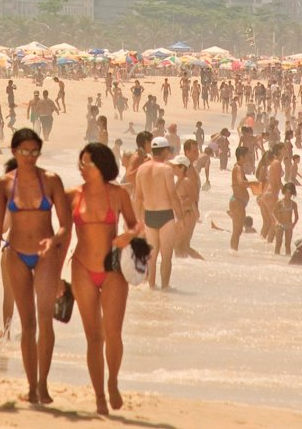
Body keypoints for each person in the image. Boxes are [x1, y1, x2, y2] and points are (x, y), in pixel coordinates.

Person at [0, 128, 71, 404]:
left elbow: (66, 225)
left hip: (45, 257)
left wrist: (53, 241)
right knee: (27, 322)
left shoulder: (51, 181)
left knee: (45, 322)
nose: (30, 157)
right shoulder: (4, 184)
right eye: (24, 152)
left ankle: (44, 385)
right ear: (14, 152)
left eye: (34, 152)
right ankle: (31, 386)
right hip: (15, 254)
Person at [66, 143, 141, 415]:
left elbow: (134, 223)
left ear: (102, 166)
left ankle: (112, 382)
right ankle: (99, 396)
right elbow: (62, 232)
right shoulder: (72, 195)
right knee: (93, 338)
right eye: (81, 163)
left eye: (87, 163)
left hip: (112, 269)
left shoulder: (118, 194)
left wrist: (128, 235)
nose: (82, 168)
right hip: (82, 268)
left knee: (113, 334)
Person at [134, 137, 183, 289]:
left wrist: (138, 219)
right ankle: (165, 289)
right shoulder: (166, 169)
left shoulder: (141, 169)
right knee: (166, 257)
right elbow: (173, 195)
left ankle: (151, 288)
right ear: (165, 151)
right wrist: (180, 218)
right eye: (169, 150)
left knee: (151, 258)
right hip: (165, 215)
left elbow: (138, 197)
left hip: (149, 215)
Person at [170, 154, 203, 260]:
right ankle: (192, 265)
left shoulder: (186, 181)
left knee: (180, 245)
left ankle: (202, 263)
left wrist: (182, 202)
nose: (173, 168)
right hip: (184, 214)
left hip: (188, 214)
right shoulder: (180, 180)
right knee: (182, 246)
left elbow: (194, 197)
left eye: (175, 166)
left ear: (182, 168)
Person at [230, 147, 257, 251]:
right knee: (237, 231)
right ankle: (233, 251)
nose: (249, 157)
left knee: (238, 230)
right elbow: (241, 183)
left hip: (238, 201)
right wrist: (253, 183)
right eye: (247, 155)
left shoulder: (238, 167)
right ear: (241, 156)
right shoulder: (238, 168)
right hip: (237, 201)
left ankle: (233, 252)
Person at [273, 183, 299, 255]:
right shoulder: (280, 202)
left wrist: (293, 224)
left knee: (287, 245)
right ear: (284, 192)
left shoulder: (293, 204)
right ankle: (276, 259)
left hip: (289, 225)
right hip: (280, 225)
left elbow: (297, 217)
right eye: (286, 193)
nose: (288, 195)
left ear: (292, 193)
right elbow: (273, 213)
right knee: (278, 244)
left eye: (290, 193)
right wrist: (276, 222)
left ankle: (287, 261)